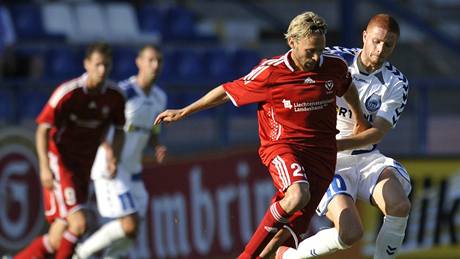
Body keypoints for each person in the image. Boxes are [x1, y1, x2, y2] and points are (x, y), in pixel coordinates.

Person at [155, 11, 369, 259]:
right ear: (292, 42)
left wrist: (360, 117)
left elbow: (346, 85)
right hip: (282, 147)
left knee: (283, 237)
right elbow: (226, 91)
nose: (316, 56)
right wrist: (184, 111)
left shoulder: (333, 67)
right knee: (298, 194)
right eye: (310, 50)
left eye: (320, 49)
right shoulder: (271, 73)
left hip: (322, 156)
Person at [276, 13, 411, 259]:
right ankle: (288, 256)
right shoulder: (334, 59)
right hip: (330, 162)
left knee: (400, 205)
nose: (380, 50)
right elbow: (294, 68)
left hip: (367, 158)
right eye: (376, 41)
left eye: (388, 45)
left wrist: (334, 144)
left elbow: (376, 133)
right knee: (350, 233)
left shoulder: (396, 83)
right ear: (364, 37)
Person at [13, 42, 126, 259]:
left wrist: (114, 156)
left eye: (106, 66)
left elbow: (119, 130)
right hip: (61, 164)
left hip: (85, 167)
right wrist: (45, 167)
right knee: (79, 223)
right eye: (98, 65)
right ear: (87, 64)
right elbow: (42, 129)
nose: (102, 70)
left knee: (57, 238)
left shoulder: (114, 96)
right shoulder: (68, 93)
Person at [74, 44, 167, 258]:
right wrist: (107, 149)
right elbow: (101, 124)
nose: (155, 65)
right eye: (150, 60)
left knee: (131, 234)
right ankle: (79, 254)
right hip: (111, 168)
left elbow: (152, 128)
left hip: (133, 173)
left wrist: (157, 145)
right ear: (139, 62)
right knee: (129, 225)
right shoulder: (124, 93)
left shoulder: (160, 97)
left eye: (159, 61)